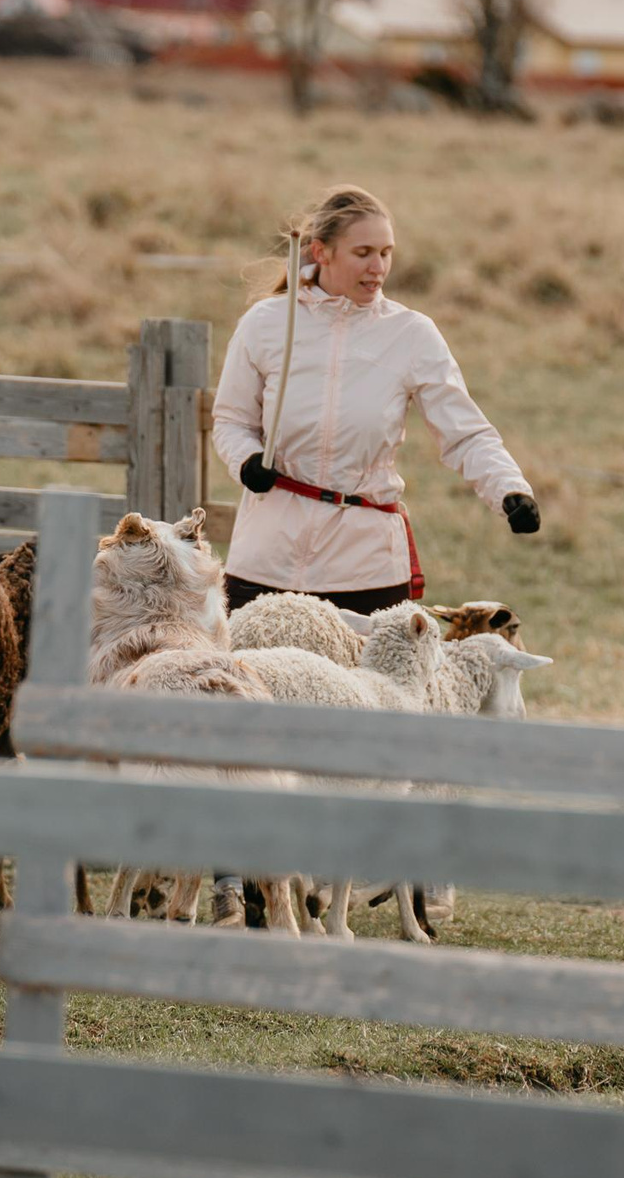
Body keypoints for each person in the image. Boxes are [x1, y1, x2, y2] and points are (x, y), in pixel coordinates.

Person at [199, 187, 538, 927]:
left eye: (387, 253)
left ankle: (331, 887)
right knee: (238, 708)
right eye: (363, 252)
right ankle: (230, 878)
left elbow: (464, 428)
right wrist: (247, 459)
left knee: (363, 725)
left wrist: (507, 489)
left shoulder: (411, 335)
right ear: (319, 253)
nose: (379, 266)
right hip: (270, 542)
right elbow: (230, 417)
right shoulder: (266, 325)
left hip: (364, 553)